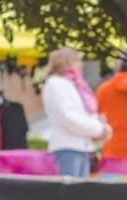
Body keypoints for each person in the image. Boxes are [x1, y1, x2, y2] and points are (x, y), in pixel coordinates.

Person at [41, 47, 110, 177]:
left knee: (79, 193)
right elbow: (69, 117)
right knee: (70, 193)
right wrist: (99, 130)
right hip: (68, 147)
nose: (81, 65)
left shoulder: (73, 84)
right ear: (67, 62)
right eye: (77, 61)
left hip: (82, 146)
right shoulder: (56, 84)